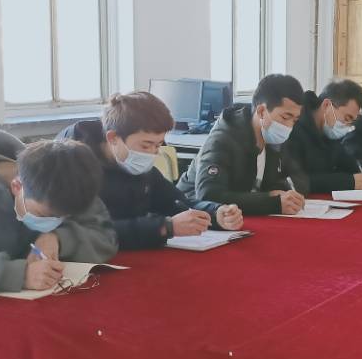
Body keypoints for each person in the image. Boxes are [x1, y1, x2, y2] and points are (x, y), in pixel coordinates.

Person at [0, 123, 118, 305]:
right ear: (17, 187)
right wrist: (17, 275)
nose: (55, 222)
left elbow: (105, 235)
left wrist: (58, 238)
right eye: (46, 215)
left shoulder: (64, 181)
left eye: (64, 218)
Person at [60, 92, 245, 250]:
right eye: (145, 145)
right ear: (113, 138)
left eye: (158, 145)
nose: (152, 153)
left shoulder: (137, 165)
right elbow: (87, 231)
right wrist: (164, 227)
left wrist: (216, 213)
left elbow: (176, 202)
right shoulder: (72, 165)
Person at [177, 74, 306, 216]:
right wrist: (272, 202)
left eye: (294, 120)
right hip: (193, 217)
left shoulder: (273, 139)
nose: (289, 126)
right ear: (261, 111)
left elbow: (295, 177)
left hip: (238, 218)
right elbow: (209, 196)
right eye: (285, 117)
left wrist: (281, 192)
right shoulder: (223, 139)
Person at [284, 80, 362, 193]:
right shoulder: (293, 128)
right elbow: (297, 181)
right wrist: (349, 182)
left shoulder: (329, 132)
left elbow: (348, 163)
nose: (347, 126)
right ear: (326, 105)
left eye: (351, 122)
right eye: (347, 118)